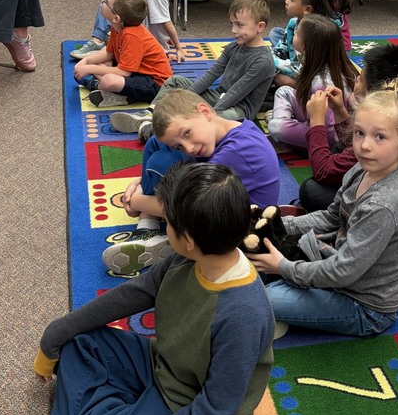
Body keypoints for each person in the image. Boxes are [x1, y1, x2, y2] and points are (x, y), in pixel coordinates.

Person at [6, 162, 274, 415]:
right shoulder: (190, 257)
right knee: (79, 342)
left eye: (167, 222)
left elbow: (216, 410)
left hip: (188, 402)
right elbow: (137, 292)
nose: (163, 226)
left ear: (190, 238)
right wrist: (57, 333)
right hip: (162, 362)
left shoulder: (243, 313)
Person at [249, 81, 398, 337]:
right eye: (360, 133)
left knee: (267, 297)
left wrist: (284, 267)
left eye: (380, 137)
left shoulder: (383, 204)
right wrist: (277, 223)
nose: (365, 145)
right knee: (263, 250)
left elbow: (344, 271)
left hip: (366, 307)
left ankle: (280, 307)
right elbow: (331, 217)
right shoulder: (362, 169)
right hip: (340, 264)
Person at [102, 88, 281, 277]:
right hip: (217, 207)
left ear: (204, 112)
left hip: (237, 234)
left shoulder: (234, 152)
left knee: (160, 163)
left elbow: (191, 207)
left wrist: (134, 200)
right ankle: (152, 227)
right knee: (156, 144)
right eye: (180, 145)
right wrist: (139, 182)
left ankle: (163, 235)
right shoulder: (228, 130)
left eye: (187, 133)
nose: (188, 148)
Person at [299, 43, 398, 236]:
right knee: (339, 150)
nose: (356, 80)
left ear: (375, 93)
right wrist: (339, 110)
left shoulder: (388, 135)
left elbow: (322, 171)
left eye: (360, 78)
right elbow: (351, 147)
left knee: (311, 189)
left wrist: (316, 121)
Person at [109, 0, 275, 141]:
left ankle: (157, 129)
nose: (233, 30)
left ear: (260, 27)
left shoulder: (263, 61)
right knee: (175, 81)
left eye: (239, 25)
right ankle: (151, 114)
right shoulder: (234, 46)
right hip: (219, 96)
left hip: (239, 109)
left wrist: (210, 113)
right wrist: (185, 98)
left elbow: (237, 92)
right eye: (232, 24)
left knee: (213, 118)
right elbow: (211, 74)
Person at [72, 0, 172, 108]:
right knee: (102, 64)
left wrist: (90, 69)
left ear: (116, 18)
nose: (103, 0)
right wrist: (86, 61)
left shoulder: (132, 36)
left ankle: (97, 85)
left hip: (155, 84)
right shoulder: (117, 27)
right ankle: (123, 94)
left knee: (108, 80)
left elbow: (123, 72)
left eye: (106, 1)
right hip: (136, 72)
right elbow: (109, 53)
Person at [268, 14, 357, 151]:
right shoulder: (326, 62)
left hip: (325, 136)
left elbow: (328, 132)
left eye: (297, 33)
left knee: (275, 127)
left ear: (307, 46)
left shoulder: (322, 83)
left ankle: (289, 136)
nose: (294, 34)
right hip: (314, 113)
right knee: (284, 91)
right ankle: (290, 127)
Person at [268, 0, 344, 85]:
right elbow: (281, 49)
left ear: (307, 9)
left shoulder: (319, 34)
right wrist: (269, 56)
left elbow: (302, 72)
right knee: (273, 37)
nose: (286, 1)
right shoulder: (294, 22)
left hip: (315, 79)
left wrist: (271, 62)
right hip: (297, 66)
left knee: (278, 78)